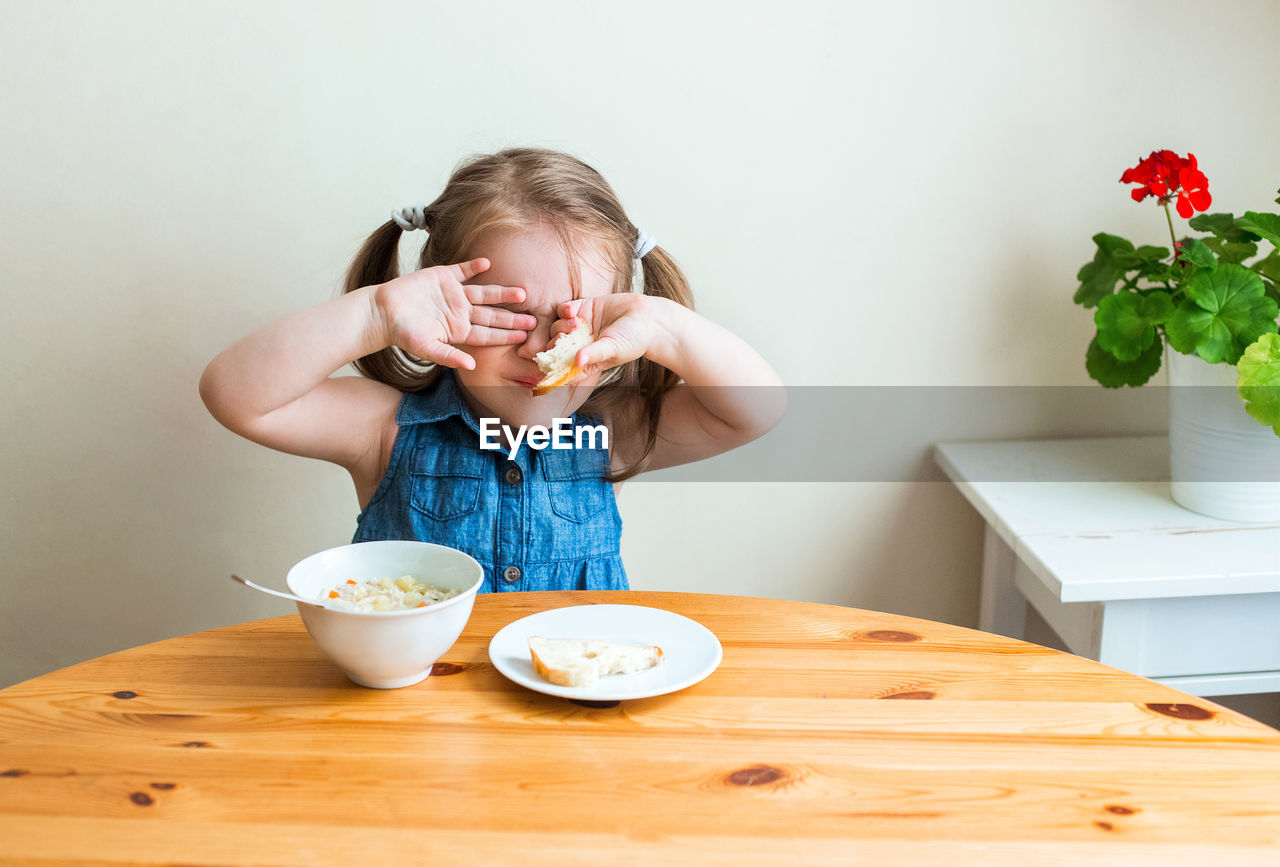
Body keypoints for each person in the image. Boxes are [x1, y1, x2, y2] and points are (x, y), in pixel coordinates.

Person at [200, 147, 785, 592]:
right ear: (439, 307)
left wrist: (663, 327)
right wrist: (375, 315)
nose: (537, 348)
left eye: (569, 322)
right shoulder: (386, 428)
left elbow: (757, 412)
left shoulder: (612, 434)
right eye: (507, 317)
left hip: (572, 721)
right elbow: (238, 396)